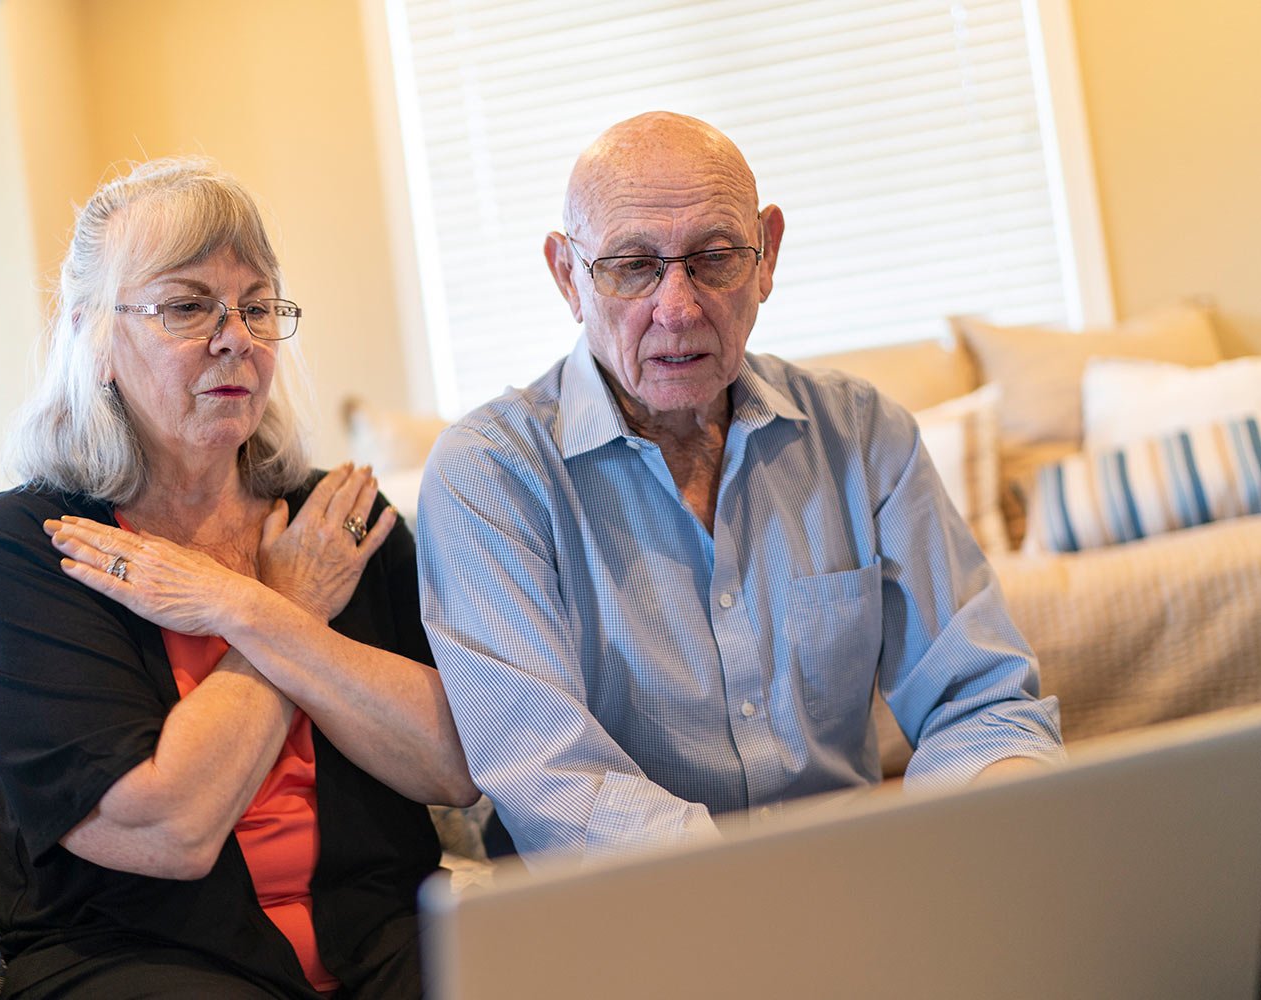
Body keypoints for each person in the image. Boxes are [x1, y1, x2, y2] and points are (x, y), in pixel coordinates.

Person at [415, 111, 1063, 866]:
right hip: (623, 920)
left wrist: (1009, 816)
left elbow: (980, 699)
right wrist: (766, 893)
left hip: (853, 895)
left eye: (714, 257)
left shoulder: (861, 434)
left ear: (768, 255)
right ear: (569, 276)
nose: (680, 308)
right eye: (632, 267)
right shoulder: (489, 477)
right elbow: (557, 784)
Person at [0, 157, 478, 999]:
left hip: (377, 937)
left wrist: (245, 604)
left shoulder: (333, 518)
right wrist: (290, 601)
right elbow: (171, 830)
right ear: (95, 335)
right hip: (141, 958)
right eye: (188, 305)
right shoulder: (32, 545)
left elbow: (454, 764)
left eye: (259, 306)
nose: (235, 335)